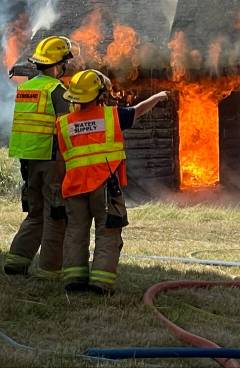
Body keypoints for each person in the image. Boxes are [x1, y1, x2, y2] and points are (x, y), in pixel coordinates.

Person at [56, 69, 168, 293]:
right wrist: (158, 97)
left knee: (75, 232)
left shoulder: (63, 123)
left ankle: (73, 280)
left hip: (74, 186)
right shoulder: (112, 116)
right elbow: (138, 110)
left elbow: (61, 156)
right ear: (99, 95)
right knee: (108, 231)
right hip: (105, 187)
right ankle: (100, 282)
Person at [3, 35, 74, 278]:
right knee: (56, 213)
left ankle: (16, 259)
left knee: (35, 212)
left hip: (28, 161)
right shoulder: (56, 90)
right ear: (58, 65)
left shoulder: (26, 88)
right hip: (51, 159)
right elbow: (69, 126)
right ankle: (50, 269)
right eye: (64, 62)